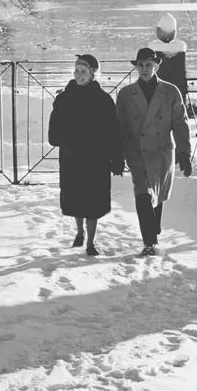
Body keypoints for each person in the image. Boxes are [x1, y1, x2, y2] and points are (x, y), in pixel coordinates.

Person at [116, 46, 192, 257]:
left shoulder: (170, 92)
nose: (144, 69)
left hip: (162, 153)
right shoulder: (125, 94)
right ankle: (150, 242)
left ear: (156, 65)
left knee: (156, 196)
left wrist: (184, 152)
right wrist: (117, 154)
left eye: (148, 65)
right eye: (140, 65)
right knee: (142, 194)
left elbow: (180, 123)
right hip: (137, 152)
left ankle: (153, 231)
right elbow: (120, 126)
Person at [48, 53, 124, 257]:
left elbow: (113, 132)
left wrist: (117, 158)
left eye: (83, 72)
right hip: (72, 157)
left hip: (95, 159)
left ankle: (91, 242)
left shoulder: (103, 100)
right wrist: (65, 139)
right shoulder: (64, 98)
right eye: (76, 71)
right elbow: (54, 130)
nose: (78, 75)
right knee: (76, 198)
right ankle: (79, 232)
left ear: (93, 74)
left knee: (93, 201)